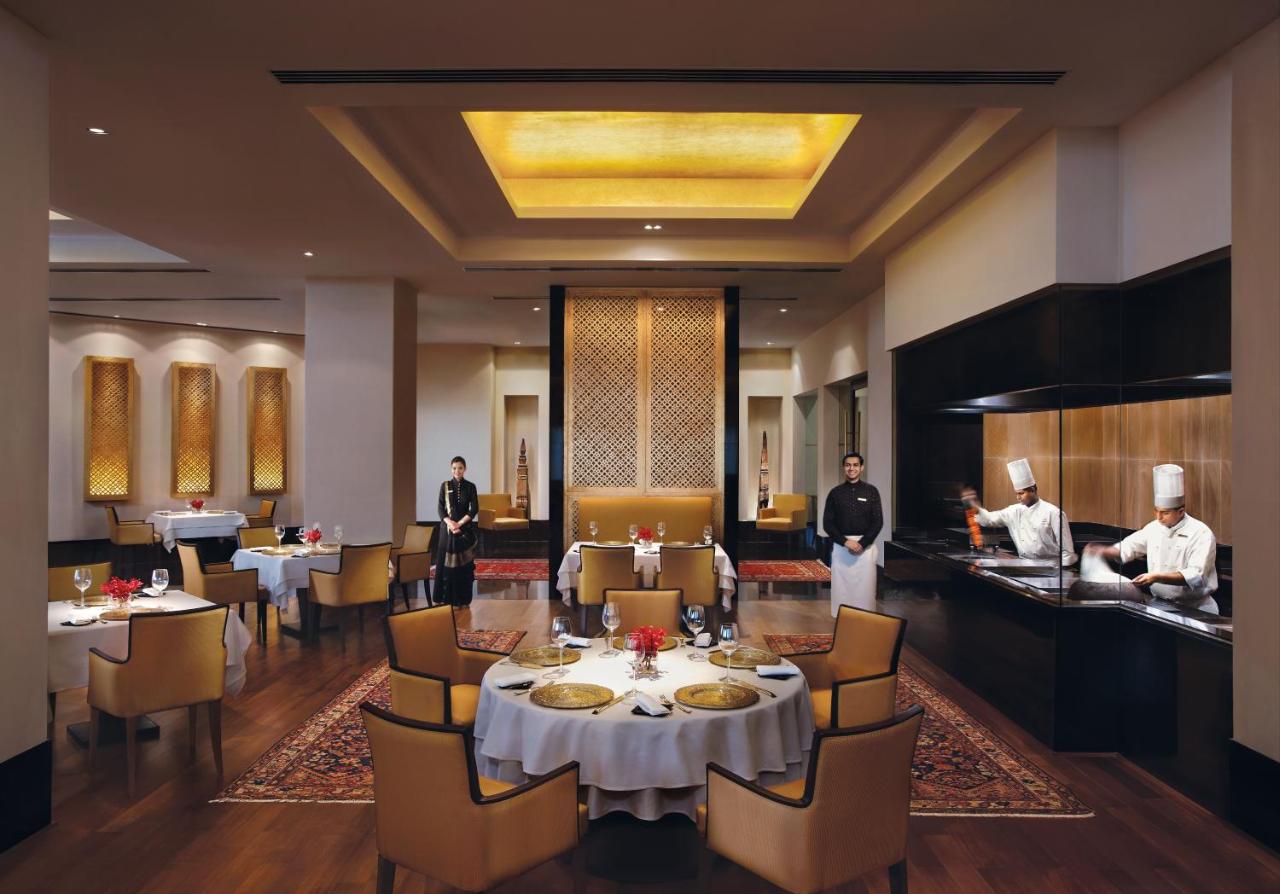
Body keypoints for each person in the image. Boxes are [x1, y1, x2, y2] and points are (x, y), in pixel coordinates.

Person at [1085, 464, 1219, 613]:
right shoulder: (1154, 528)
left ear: (1181, 512)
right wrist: (1102, 551)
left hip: (1196, 609)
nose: (1159, 517)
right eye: (1156, 511)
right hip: (1161, 606)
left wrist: (1156, 577)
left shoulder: (1201, 533)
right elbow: (1130, 547)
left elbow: (1196, 576)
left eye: (1165, 513)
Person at [960, 458, 1077, 566]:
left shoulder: (1054, 513)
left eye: (1021, 493)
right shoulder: (1013, 511)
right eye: (1016, 493)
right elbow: (989, 519)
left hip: (1050, 569)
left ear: (1033, 490)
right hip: (1024, 567)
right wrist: (974, 504)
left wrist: (1061, 572)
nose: (1018, 497)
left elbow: (1067, 553)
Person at [822, 451, 883, 616]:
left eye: (855, 465)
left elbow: (878, 522)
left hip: (866, 549)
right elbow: (828, 523)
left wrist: (862, 543)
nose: (851, 468)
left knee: (866, 590)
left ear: (861, 468)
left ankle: (865, 621)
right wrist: (845, 542)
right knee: (841, 590)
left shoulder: (872, 491)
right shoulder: (835, 493)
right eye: (848, 465)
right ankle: (842, 620)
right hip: (842, 548)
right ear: (843, 468)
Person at [434, 456, 479, 608]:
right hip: (447, 531)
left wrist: (459, 524)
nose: (457, 471)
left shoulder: (471, 487)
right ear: (451, 469)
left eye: (460, 468)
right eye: (454, 468)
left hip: (463, 531)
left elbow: (474, 509)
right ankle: (445, 600)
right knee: (445, 566)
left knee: (463, 567)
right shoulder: (444, 486)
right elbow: (440, 509)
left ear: (465, 469)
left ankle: (463, 600)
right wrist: (450, 523)